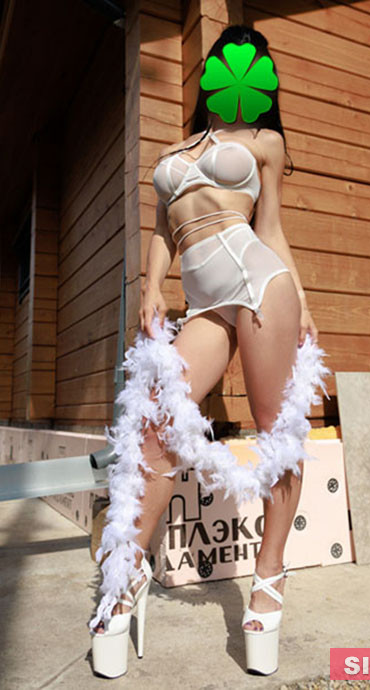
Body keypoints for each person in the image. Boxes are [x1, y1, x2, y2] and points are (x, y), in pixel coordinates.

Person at [88, 24, 330, 679]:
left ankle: (269, 579)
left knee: (277, 434)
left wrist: (303, 301)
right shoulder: (176, 150)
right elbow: (163, 229)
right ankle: (128, 576)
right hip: (202, 307)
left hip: (260, 284)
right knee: (154, 426)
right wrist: (150, 286)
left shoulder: (264, 142)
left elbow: (270, 230)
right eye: (230, 57)